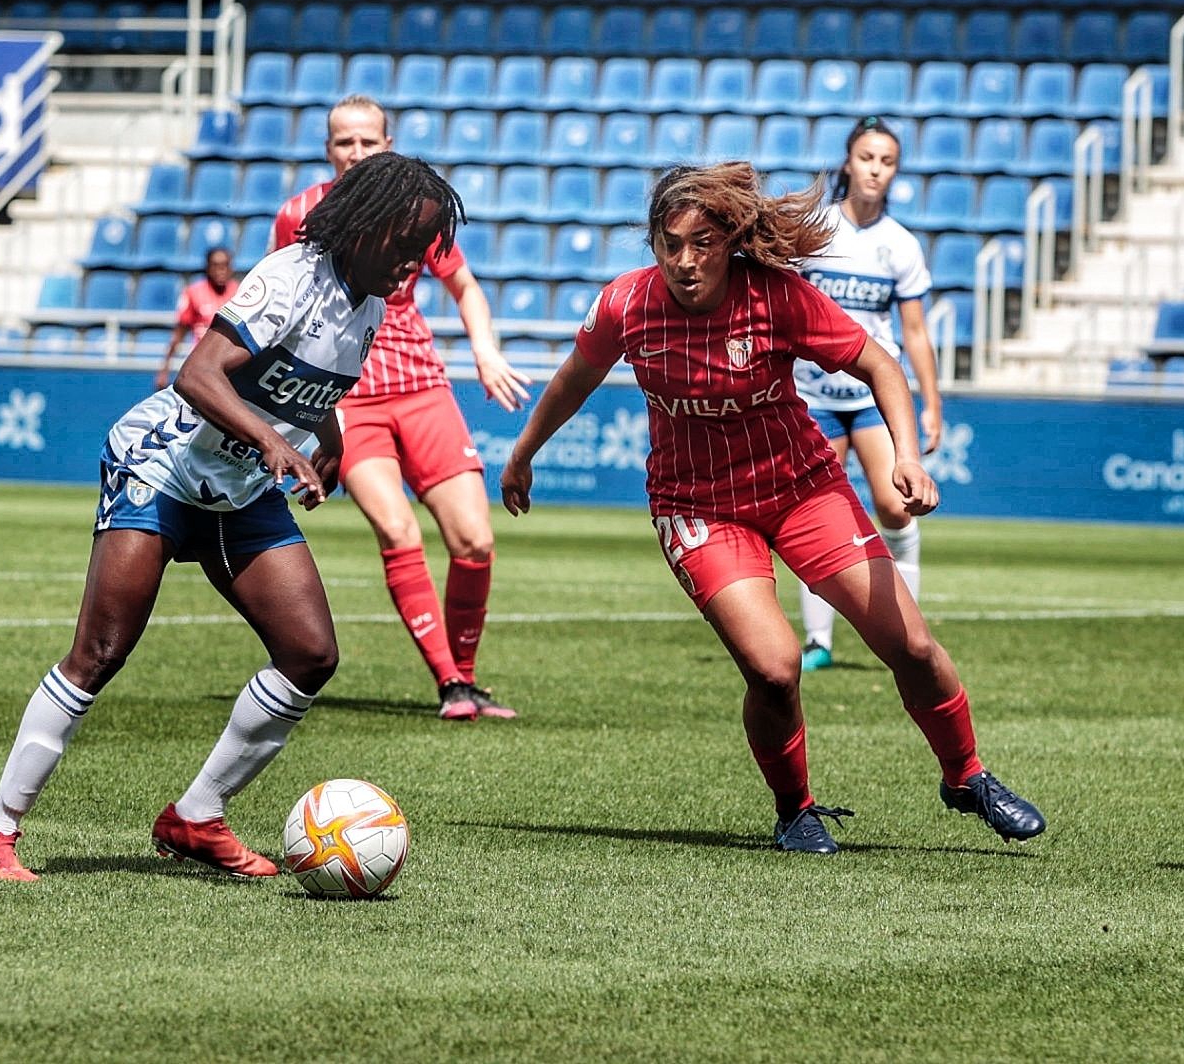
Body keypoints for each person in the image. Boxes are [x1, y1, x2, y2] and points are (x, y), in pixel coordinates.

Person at [499, 162, 1045, 854]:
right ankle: (796, 810)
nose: (686, 261)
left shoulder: (777, 297)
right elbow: (574, 378)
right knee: (774, 666)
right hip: (697, 507)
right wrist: (523, 453)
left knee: (908, 645)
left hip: (802, 489)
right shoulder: (625, 306)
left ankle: (967, 775)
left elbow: (880, 364)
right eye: (671, 244)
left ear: (730, 244)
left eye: (703, 244)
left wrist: (906, 457)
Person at [0, 152, 465, 881]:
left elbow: (309, 387)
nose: (412, 263)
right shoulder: (290, 276)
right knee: (100, 654)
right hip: (161, 466)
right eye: (403, 244)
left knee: (310, 655)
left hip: (237, 485)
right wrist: (273, 445)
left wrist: (327, 439)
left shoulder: (371, 306)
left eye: (422, 251)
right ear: (365, 224)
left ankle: (197, 816)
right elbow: (198, 374)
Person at [270, 94, 533, 721]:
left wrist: (486, 352)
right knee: (398, 530)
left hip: (420, 384)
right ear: (327, 149)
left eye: (367, 141)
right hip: (350, 394)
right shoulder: (298, 214)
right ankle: (450, 685)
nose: (355, 152)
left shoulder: (419, 207)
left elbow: (464, 287)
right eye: (343, 142)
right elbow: (279, 304)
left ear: (387, 145)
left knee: (474, 539)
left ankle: (467, 677)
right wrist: (302, 411)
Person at [795, 116, 942, 673]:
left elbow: (915, 334)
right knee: (818, 512)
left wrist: (931, 403)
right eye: (867, 157)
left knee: (893, 504)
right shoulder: (815, 231)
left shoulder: (900, 245)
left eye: (887, 161)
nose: (876, 169)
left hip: (871, 398)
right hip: (812, 394)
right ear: (848, 163)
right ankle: (818, 642)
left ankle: (907, 635)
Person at [154, 245, 238, 391]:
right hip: (203, 365)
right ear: (208, 268)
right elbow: (179, 333)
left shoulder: (240, 293)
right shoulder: (194, 293)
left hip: (232, 366)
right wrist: (165, 368)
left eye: (225, 265)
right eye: (216, 265)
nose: (221, 270)